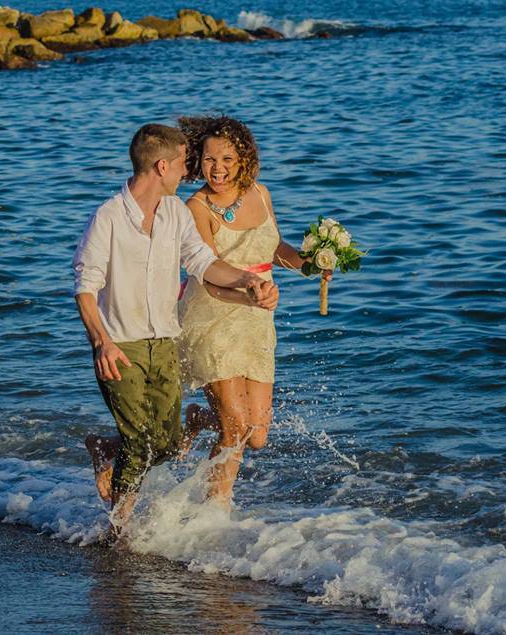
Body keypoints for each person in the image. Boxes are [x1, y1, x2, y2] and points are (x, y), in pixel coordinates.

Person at [73, 123, 278, 536]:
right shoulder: (109, 217)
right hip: (122, 345)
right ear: (162, 165)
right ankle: (120, 531)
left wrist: (246, 282)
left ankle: (104, 449)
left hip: (164, 340)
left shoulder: (174, 214)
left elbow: (203, 262)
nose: (191, 171)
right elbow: (85, 285)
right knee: (139, 442)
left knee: (164, 445)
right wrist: (102, 343)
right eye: (187, 161)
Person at [172, 115, 331, 506]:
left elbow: (274, 249)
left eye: (226, 159)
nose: (218, 169)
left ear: (244, 158)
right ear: (197, 161)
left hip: (258, 318)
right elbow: (206, 273)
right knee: (234, 428)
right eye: (209, 160)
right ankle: (214, 514)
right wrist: (247, 293)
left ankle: (197, 418)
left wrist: (311, 263)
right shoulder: (196, 207)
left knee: (256, 434)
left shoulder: (261, 193)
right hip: (212, 314)